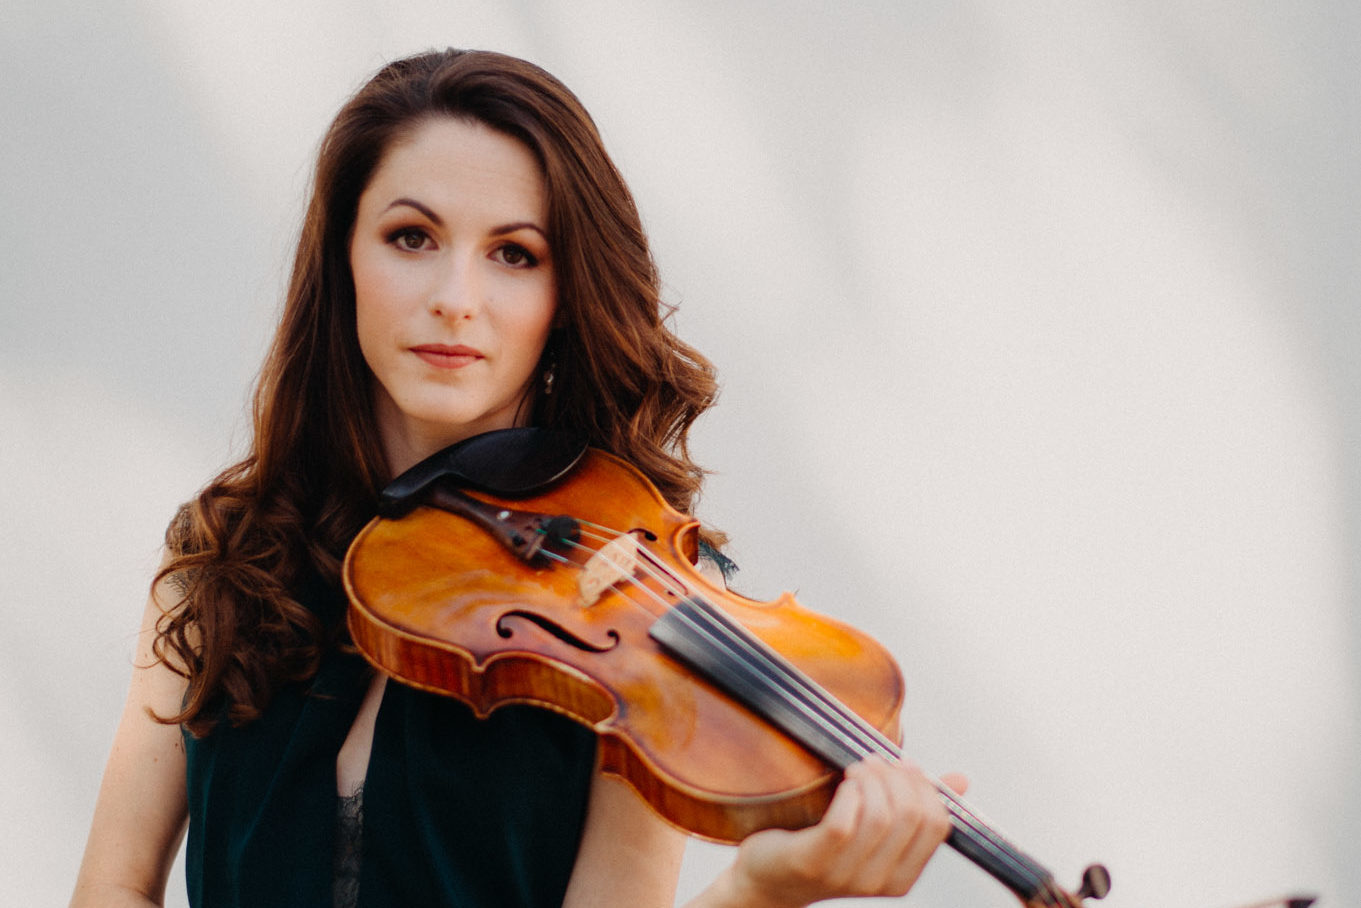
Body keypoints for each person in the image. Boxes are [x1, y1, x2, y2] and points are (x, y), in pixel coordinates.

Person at [70, 48, 963, 908]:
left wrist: (761, 892)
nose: (455, 298)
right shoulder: (223, 555)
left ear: (565, 295)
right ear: (343, 259)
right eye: (411, 237)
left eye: (514, 254)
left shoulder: (643, 615)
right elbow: (112, 887)